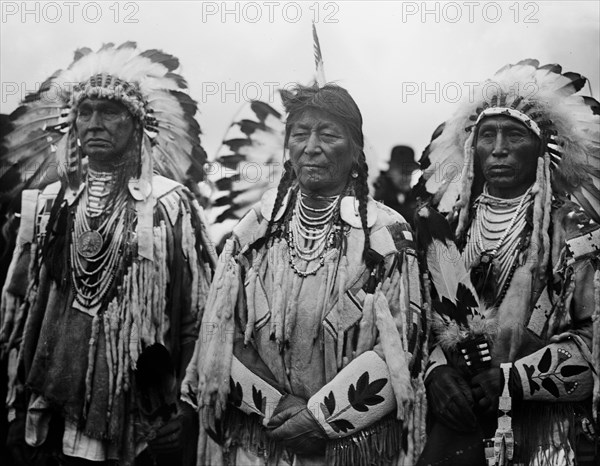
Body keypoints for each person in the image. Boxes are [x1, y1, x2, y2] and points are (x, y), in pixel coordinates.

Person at [182, 83, 427, 465]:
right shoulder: (254, 230)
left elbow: (402, 347)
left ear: (356, 149)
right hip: (260, 440)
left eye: (328, 134)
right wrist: (276, 405)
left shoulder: (388, 235)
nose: (311, 146)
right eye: (300, 134)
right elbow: (220, 331)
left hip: (349, 447)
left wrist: (323, 418)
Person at [0, 43, 216, 465]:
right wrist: (12, 402)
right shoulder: (47, 204)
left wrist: (186, 406)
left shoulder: (171, 206)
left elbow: (198, 319)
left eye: (111, 112)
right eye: (85, 112)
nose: (94, 123)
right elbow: (19, 313)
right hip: (46, 421)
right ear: (72, 122)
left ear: (138, 125)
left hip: (134, 423)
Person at [416, 59, 599, 465]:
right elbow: (417, 320)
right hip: (457, 423)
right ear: (471, 146)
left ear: (541, 146)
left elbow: (594, 340)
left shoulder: (572, 231)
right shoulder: (450, 226)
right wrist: (436, 374)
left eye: (514, 135)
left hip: (544, 435)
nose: (497, 149)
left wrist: (515, 379)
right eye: (487, 135)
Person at [373, 145, 420, 226]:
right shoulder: (377, 188)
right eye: (402, 172)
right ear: (391, 169)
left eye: (409, 173)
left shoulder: (410, 195)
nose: (406, 178)